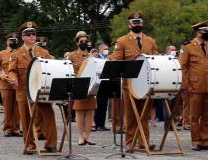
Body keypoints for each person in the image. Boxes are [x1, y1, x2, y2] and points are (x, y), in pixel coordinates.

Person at [108, 12, 159, 152]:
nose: (137, 24)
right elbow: (115, 58)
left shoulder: (150, 41)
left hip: (147, 83)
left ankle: (144, 143)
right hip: (129, 84)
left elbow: (156, 59)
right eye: (134, 22)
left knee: (144, 115)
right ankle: (130, 143)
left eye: (139, 22)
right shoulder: (122, 41)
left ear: (142, 23)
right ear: (129, 24)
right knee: (130, 116)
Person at [7, 21, 58, 155]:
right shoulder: (16, 54)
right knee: (26, 118)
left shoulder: (44, 52)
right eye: (28, 34)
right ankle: (30, 145)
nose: (31, 37)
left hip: (42, 89)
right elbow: (11, 71)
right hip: (23, 90)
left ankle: (51, 144)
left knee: (49, 114)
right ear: (23, 37)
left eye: (33, 34)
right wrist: (14, 79)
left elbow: (52, 66)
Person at [179, 21, 208, 151]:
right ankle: (196, 141)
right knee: (194, 116)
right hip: (194, 86)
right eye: (205, 31)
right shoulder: (188, 47)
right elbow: (183, 67)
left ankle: (205, 141)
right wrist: (187, 85)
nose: (207, 33)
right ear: (198, 32)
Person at [67, 31, 97, 146]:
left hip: (90, 85)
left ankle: (88, 136)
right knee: (79, 112)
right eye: (81, 41)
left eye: (85, 41)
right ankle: (80, 137)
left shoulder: (91, 56)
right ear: (77, 43)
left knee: (90, 111)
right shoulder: (72, 55)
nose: (84, 43)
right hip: (79, 85)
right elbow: (69, 70)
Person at [0, 33, 21, 137]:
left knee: (17, 107)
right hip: (5, 85)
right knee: (8, 107)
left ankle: (16, 129)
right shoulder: (1, 54)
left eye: (14, 40)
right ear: (7, 42)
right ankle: (7, 129)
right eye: (11, 40)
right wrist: (1, 75)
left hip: (17, 84)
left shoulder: (20, 53)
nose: (13, 42)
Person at [92, 43, 110, 131]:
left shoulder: (108, 58)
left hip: (106, 83)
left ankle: (102, 124)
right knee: (98, 105)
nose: (107, 50)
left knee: (104, 105)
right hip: (98, 83)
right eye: (105, 49)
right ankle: (97, 124)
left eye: (107, 49)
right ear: (100, 49)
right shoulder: (96, 58)